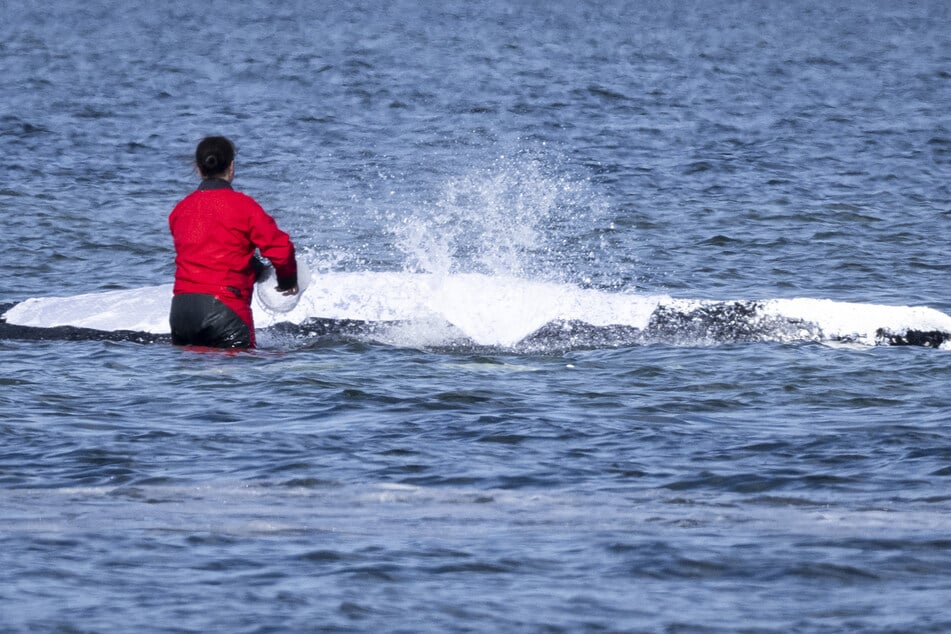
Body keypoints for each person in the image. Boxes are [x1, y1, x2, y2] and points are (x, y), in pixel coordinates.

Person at [168, 136, 298, 348]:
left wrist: (256, 269)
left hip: (181, 311)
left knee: (192, 378)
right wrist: (287, 280)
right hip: (225, 310)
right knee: (240, 377)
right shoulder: (243, 206)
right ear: (231, 167)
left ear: (198, 169)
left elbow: (211, 252)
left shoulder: (180, 210)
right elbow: (281, 249)